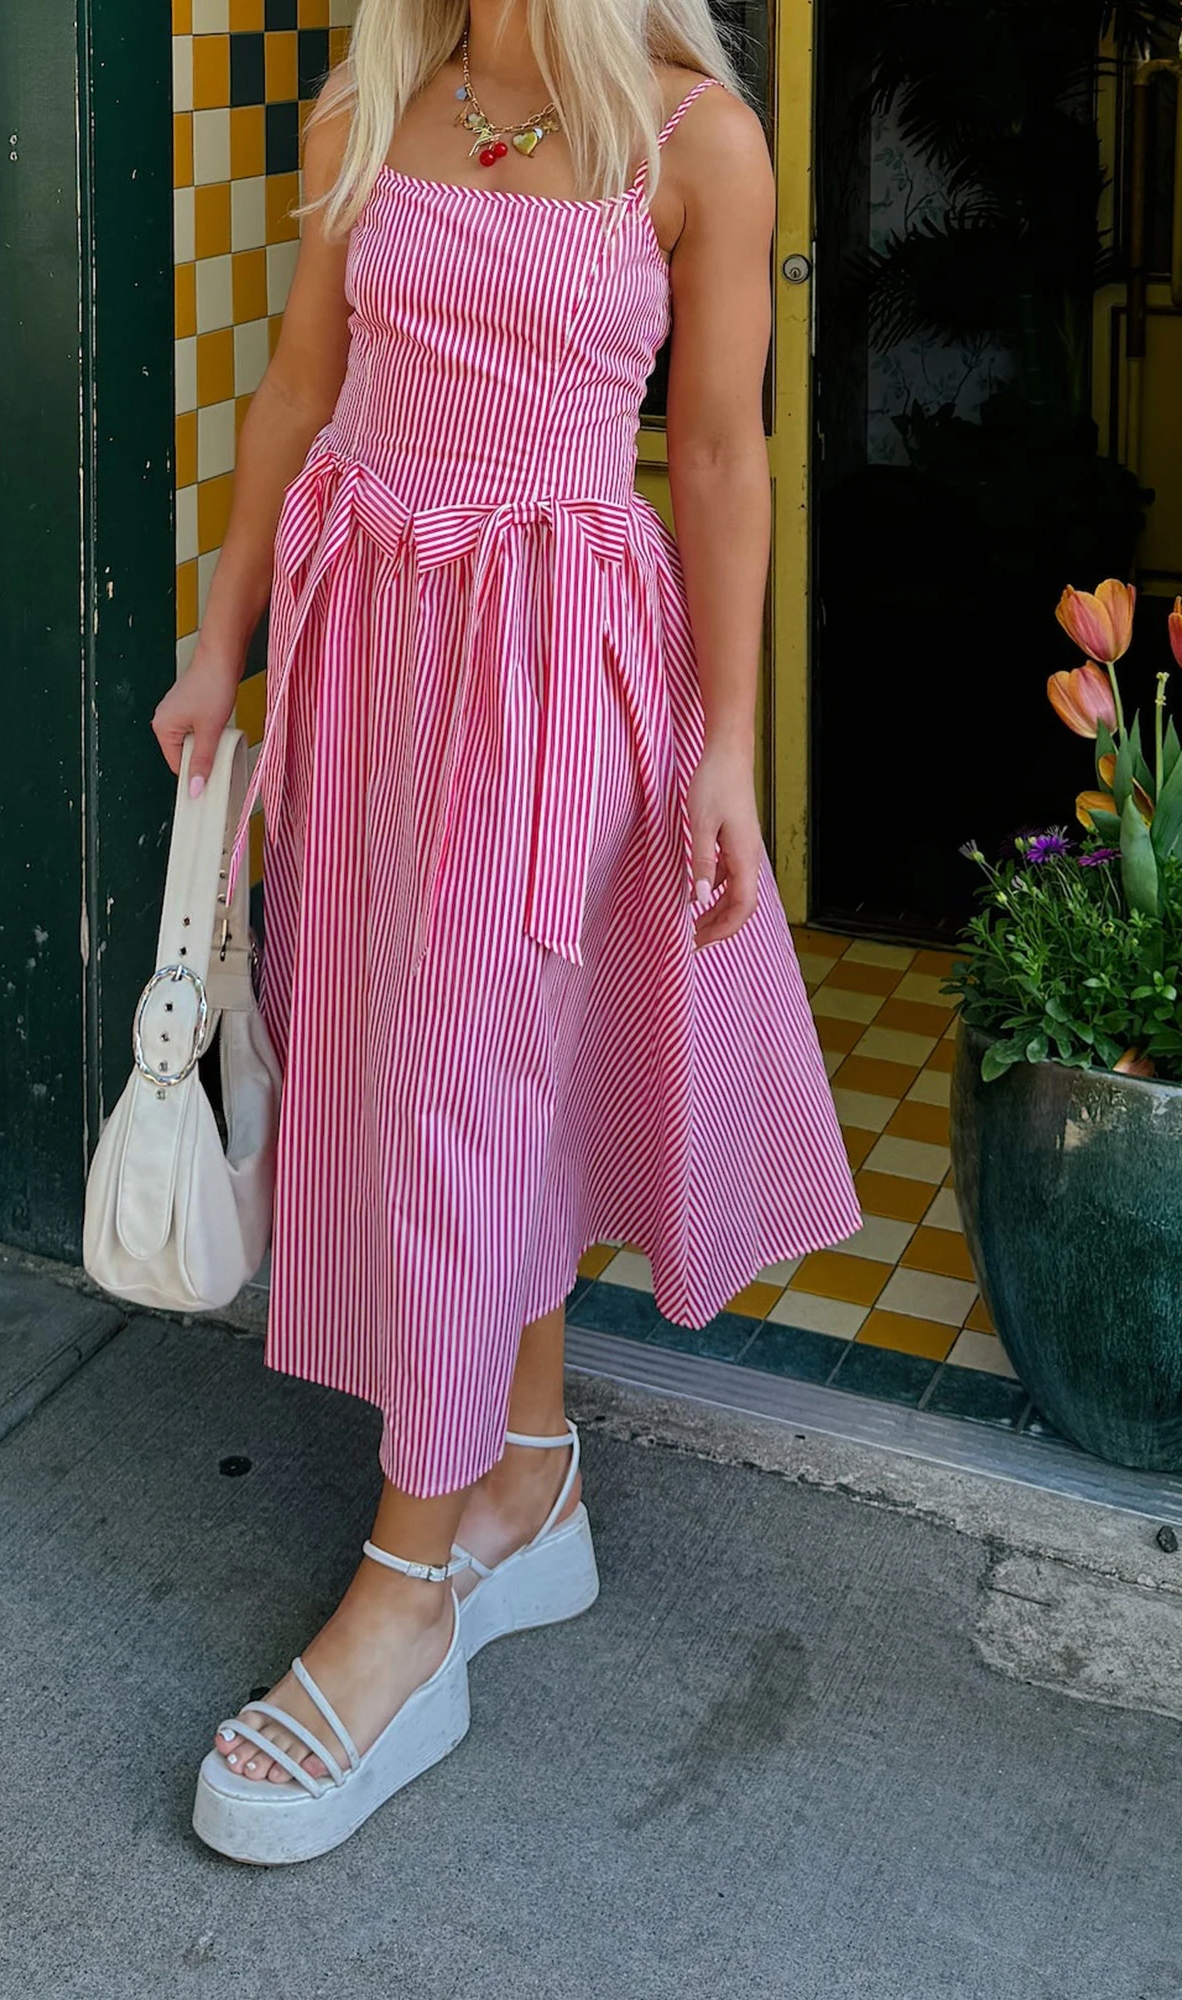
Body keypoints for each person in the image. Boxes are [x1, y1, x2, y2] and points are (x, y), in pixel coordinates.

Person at [153, 0, 859, 1866]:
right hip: (368, 638)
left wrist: (724, 744)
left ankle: (406, 1601)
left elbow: (717, 457)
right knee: (425, 1076)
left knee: (464, 1093)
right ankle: (527, 1485)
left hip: (557, 671)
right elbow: (299, 395)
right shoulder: (369, 107)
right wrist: (222, 638)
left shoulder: (700, 137)